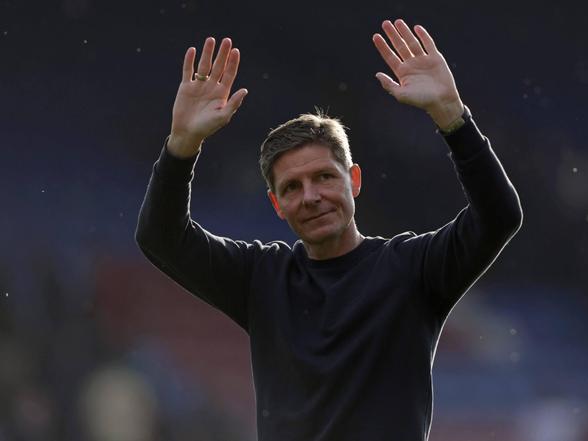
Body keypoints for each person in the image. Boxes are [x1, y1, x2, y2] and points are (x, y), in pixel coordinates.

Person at [135, 18, 523, 441]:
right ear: (276, 205)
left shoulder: (413, 269)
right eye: (292, 187)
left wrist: (453, 117)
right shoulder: (261, 278)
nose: (311, 196)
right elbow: (160, 238)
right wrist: (182, 146)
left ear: (353, 180)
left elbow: (499, 215)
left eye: (324, 177)